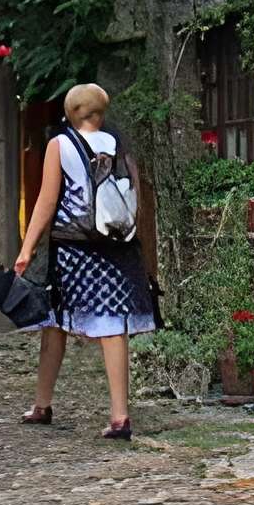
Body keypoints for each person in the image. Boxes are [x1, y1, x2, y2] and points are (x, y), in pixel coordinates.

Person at [11, 82, 159, 438]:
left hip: (73, 247)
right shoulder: (119, 144)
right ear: (101, 112)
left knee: (55, 320)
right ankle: (120, 415)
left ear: (71, 112)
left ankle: (42, 404)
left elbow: (47, 200)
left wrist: (27, 247)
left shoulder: (60, 144)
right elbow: (137, 197)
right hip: (118, 245)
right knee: (114, 326)